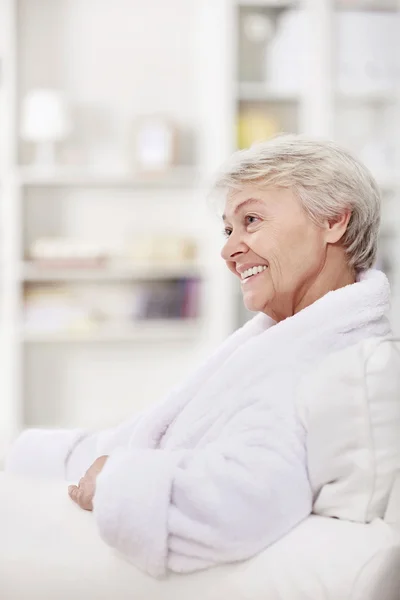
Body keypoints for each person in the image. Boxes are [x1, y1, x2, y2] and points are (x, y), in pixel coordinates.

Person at [5, 134, 391, 578]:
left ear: (334, 221)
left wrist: (115, 481)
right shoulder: (287, 343)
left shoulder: (328, 366)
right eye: (229, 229)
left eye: (251, 220)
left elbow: (244, 498)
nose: (228, 250)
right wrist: (31, 457)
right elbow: (141, 440)